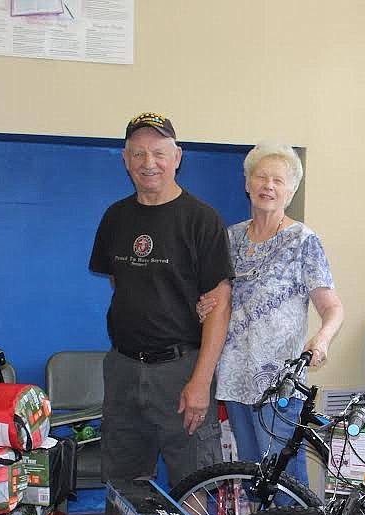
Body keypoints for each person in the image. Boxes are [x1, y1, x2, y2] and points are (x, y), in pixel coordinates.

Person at [90, 112, 233, 487]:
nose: (148, 163)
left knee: (194, 485)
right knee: (122, 487)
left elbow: (220, 306)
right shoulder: (115, 217)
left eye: (158, 153)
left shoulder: (202, 220)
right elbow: (122, 284)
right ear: (125, 159)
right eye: (137, 154)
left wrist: (201, 381)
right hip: (122, 370)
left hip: (181, 372)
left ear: (177, 157)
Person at [197, 142, 344, 483]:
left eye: (278, 180)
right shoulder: (230, 238)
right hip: (234, 377)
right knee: (253, 478)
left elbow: (332, 307)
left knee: (284, 479)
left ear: (290, 191)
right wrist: (202, 305)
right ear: (247, 183)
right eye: (261, 177)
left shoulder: (302, 241)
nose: (268, 186)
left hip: (280, 381)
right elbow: (217, 298)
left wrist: (322, 339)